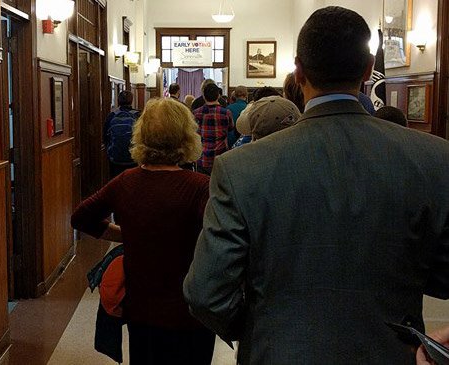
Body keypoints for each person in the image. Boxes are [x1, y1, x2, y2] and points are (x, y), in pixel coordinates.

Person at [184, 6, 449, 364]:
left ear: (298, 70)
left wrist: (262, 326)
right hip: (391, 352)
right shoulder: (434, 157)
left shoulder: (241, 167)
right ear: (369, 68)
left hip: (278, 351)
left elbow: (206, 293)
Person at [73, 98, 215, 365]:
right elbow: (217, 239)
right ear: (187, 136)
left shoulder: (126, 182)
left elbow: (82, 217)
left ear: (142, 135)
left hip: (141, 309)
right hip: (190, 311)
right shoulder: (200, 186)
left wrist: (125, 234)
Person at [193, 83, 234, 175]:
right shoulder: (226, 113)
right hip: (220, 156)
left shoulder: (196, 113)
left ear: (204, 96)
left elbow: (193, 132)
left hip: (202, 157)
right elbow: (231, 128)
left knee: (203, 186)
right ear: (218, 95)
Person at [104, 90, 140, 178]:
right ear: (132, 100)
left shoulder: (111, 116)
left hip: (115, 159)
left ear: (118, 101)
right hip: (133, 158)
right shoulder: (137, 115)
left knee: (116, 182)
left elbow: (105, 137)